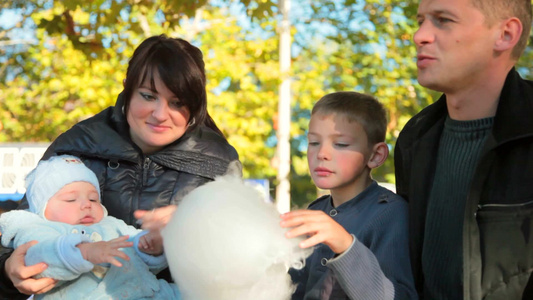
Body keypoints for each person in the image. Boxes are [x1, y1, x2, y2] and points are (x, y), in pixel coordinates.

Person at [0, 34, 240, 299]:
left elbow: (243, 257)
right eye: (148, 96)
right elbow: (20, 230)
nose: (160, 114)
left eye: (177, 102)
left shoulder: (219, 162)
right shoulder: (76, 145)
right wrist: (7, 269)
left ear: (195, 104)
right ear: (127, 87)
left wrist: (193, 225)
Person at [394, 0, 533, 299]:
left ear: (506, 34)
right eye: (420, 21)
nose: (420, 36)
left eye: (443, 20)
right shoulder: (414, 139)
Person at [281, 91, 417, 299]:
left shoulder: (390, 213)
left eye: (341, 144)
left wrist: (345, 245)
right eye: (314, 142)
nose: (321, 154)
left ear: (375, 155)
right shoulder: (316, 211)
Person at [0, 155, 181, 299]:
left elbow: (132, 242)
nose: (87, 204)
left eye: (93, 199)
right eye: (71, 199)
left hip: (152, 292)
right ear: (43, 208)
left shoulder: (111, 225)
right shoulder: (38, 229)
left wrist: (149, 246)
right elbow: (38, 256)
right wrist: (84, 252)